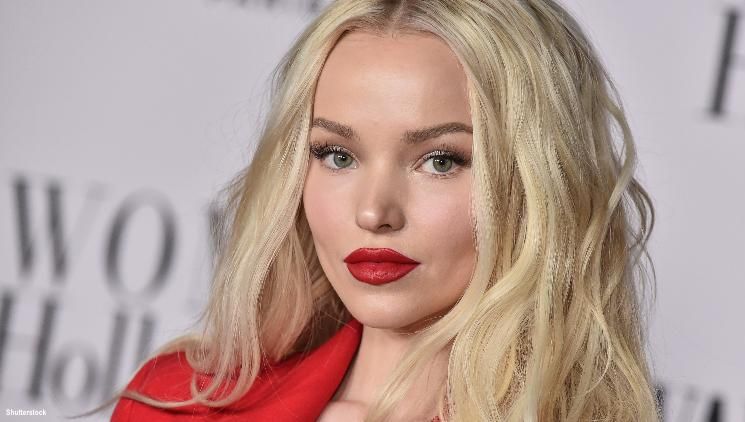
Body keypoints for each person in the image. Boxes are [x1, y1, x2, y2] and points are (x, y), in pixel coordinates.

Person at [109, 0, 661, 420]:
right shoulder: (175, 404)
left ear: (539, 182)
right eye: (337, 155)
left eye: (440, 161)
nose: (374, 213)